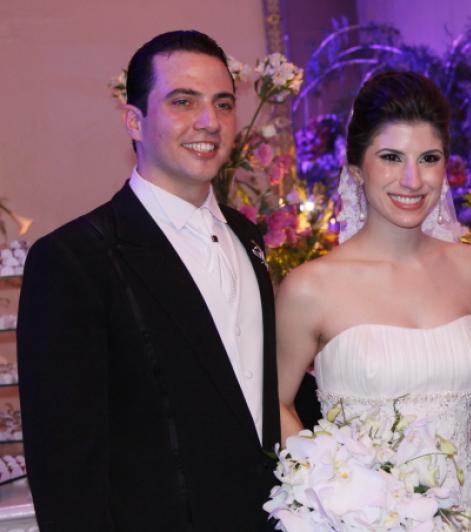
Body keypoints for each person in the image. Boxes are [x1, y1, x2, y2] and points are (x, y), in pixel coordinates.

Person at [17, 30, 280, 531]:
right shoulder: (74, 259)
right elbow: (64, 463)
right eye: (183, 101)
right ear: (134, 121)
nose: (209, 121)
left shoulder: (248, 237)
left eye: (223, 104)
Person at [275, 71, 471, 514]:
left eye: (429, 158)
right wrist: (327, 498)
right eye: (391, 157)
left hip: (470, 512)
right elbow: (274, 403)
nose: (412, 179)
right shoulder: (311, 288)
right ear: (356, 168)